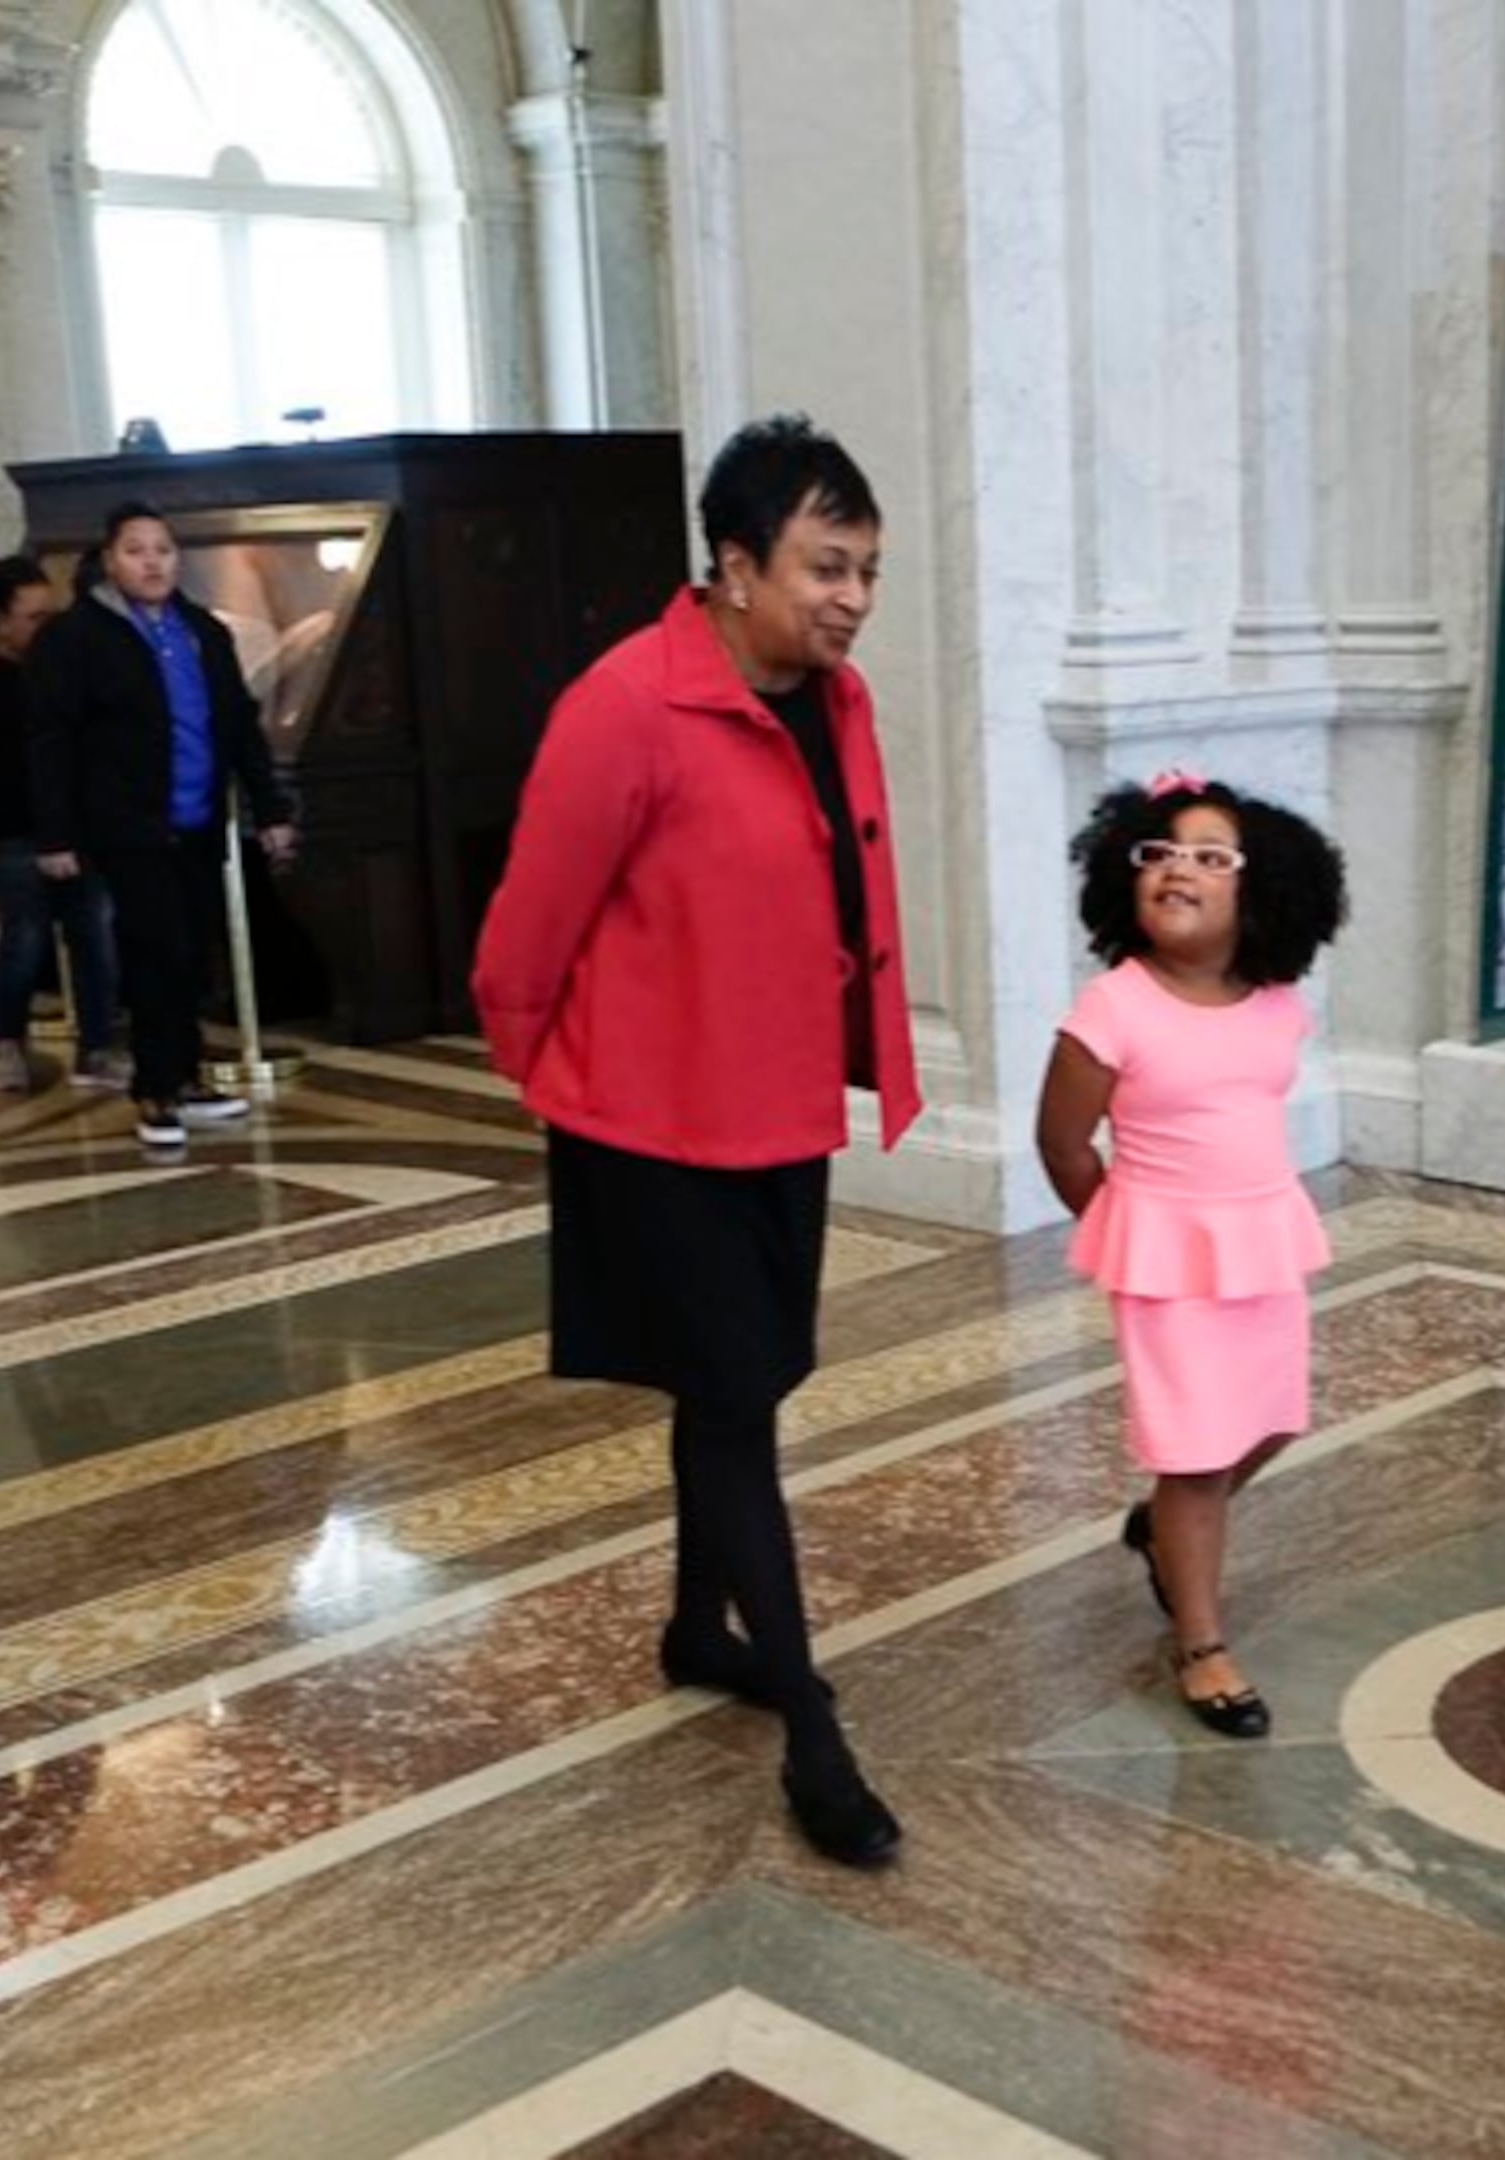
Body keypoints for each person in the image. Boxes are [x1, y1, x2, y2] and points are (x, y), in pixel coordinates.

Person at [473, 415, 922, 1869]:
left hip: (777, 1112)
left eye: (866, 568)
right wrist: (569, 1082)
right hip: (653, 1131)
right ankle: (809, 1726)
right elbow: (524, 935)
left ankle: (690, 1626)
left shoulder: (834, 700)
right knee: (733, 1408)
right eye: (823, 566)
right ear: (733, 565)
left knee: (745, 1388)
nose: (851, 598)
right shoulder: (626, 706)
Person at [1032, 773, 1350, 1739]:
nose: (1179, 870)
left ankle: (1160, 1529)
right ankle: (1202, 1644)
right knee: (1196, 1458)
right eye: (1159, 853)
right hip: (1168, 1258)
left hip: (1259, 1239)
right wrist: (1133, 1226)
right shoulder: (1112, 1009)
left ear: (1264, 892)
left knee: (1274, 1420)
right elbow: (1063, 1143)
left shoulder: (1278, 1005)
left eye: (1212, 858)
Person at [21, 502, 299, 1150]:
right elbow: (51, 738)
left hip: (198, 817)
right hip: (126, 823)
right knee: (157, 951)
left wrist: (271, 809)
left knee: (193, 953)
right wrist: (56, 833)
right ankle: (156, 1086)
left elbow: (237, 725)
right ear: (110, 560)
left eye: (164, 550)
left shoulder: (202, 630)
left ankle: (188, 1073)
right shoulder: (76, 637)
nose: (152, 562)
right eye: (136, 550)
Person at [0, 552, 125, 1096]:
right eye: (34, 617)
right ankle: (7, 1041)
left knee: (95, 934)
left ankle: (97, 1046)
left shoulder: (63, 674)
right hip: (10, 833)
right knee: (24, 938)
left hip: (78, 827)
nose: (48, 627)